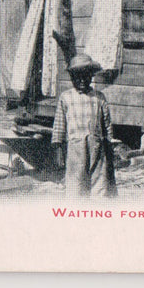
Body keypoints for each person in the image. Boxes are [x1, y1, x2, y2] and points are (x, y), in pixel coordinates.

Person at [51, 54, 117, 199]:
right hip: (75, 146)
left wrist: (109, 144)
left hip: (96, 146)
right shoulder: (66, 97)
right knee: (76, 182)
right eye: (77, 76)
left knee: (99, 180)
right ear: (71, 78)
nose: (81, 80)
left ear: (91, 76)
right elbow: (59, 125)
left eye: (86, 76)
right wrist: (58, 148)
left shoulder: (99, 97)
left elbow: (106, 124)